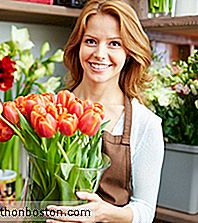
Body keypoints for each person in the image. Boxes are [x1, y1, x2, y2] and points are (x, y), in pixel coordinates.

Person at [46, 0, 164, 222]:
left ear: (129, 52)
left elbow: (145, 212)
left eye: (114, 44)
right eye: (91, 41)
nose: (100, 54)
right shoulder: (49, 109)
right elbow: (31, 186)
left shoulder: (145, 124)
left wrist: (105, 213)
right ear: (77, 46)